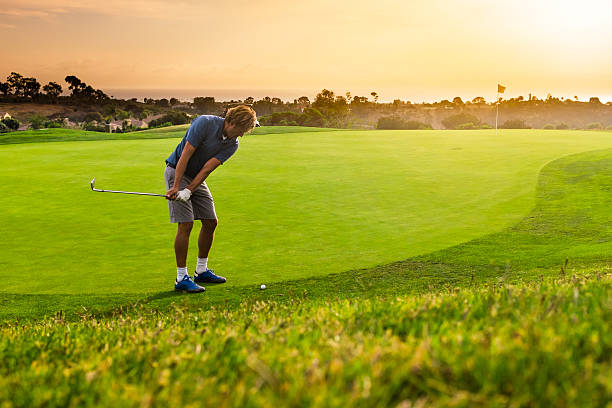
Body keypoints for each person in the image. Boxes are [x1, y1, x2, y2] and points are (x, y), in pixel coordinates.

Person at [164, 105, 258, 293]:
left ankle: (201, 270)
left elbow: (207, 168)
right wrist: (177, 187)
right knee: (186, 224)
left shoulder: (233, 144)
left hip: (197, 177)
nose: (240, 135)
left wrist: (190, 190)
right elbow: (185, 155)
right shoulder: (205, 123)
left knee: (210, 222)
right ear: (230, 122)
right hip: (177, 171)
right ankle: (181, 277)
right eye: (240, 130)